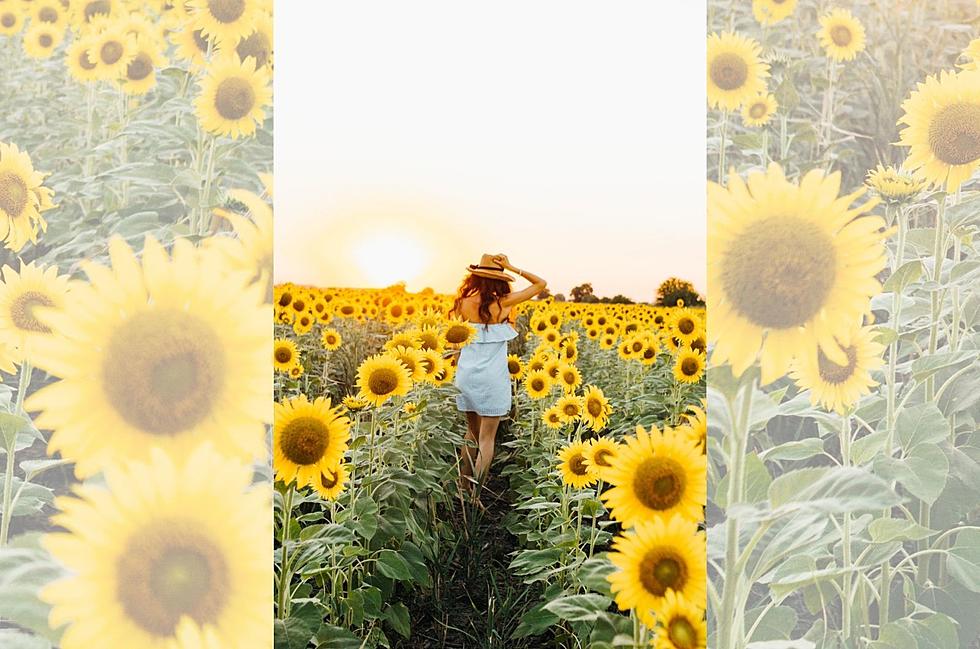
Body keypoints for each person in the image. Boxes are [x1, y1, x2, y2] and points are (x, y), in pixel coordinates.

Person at [450, 253, 547, 499]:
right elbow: (540, 284)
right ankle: (475, 495)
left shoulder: (462, 302)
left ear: (475, 277)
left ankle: (463, 487)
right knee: (486, 439)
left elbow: (457, 343)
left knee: (470, 434)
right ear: (500, 279)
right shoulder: (504, 302)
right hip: (492, 379)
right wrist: (513, 267)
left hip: (467, 376)